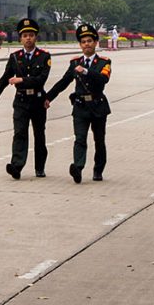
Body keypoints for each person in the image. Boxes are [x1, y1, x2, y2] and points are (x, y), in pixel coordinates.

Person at [45, 22, 112, 184]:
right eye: (83, 42)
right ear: (80, 45)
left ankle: (98, 170)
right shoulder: (75, 63)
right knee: (80, 138)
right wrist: (47, 98)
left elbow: (104, 79)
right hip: (80, 107)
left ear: (95, 42)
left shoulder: (104, 62)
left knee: (99, 140)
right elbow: (63, 82)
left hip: (97, 106)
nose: (86, 44)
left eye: (89, 41)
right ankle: (78, 168)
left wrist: (87, 71)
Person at [0, 17, 51, 180]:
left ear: (36, 37)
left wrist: (21, 80)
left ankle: (40, 167)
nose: (28, 38)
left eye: (31, 34)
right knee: (19, 133)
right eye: (25, 35)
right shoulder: (15, 57)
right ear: (20, 38)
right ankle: (16, 166)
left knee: (39, 135)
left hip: (37, 101)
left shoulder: (44, 56)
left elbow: (41, 79)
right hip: (21, 101)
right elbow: (4, 78)